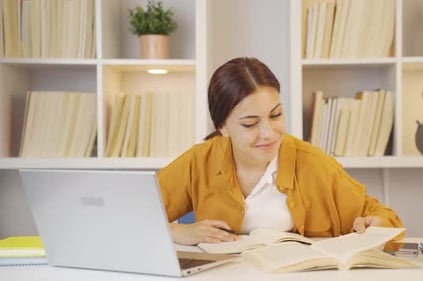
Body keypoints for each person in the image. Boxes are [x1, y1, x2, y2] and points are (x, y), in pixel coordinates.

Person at [157, 57, 404, 248]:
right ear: (222, 127)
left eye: (275, 115)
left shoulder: (314, 164)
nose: (269, 133)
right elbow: (130, 217)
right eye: (250, 124)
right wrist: (175, 231)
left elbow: (385, 220)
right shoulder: (199, 161)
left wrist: (378, 227)